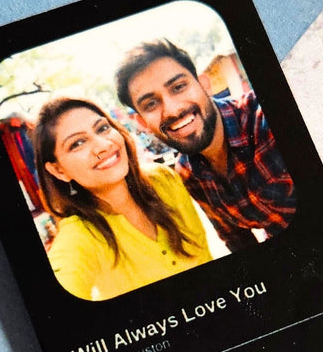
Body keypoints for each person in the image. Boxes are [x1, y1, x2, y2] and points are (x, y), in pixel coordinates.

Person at [115, 39, 296, 252]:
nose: (172, 110)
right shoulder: (188, 173)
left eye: (178, 87)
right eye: (151, 104)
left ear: (204, 84)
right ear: (142, 122)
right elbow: (236, 240)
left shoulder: (265, 120)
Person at [34, 97, 212, 300]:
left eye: (102, 128)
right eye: (77, 143)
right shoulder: (80, 237)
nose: (103, 145)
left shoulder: (163, 179)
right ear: (58, 170)